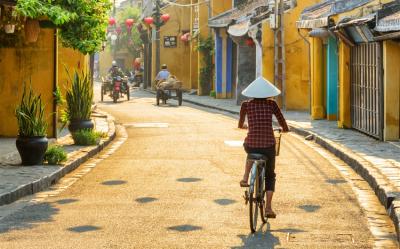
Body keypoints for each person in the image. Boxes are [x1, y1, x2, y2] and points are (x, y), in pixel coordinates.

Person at [238, 77, 289, 219]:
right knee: (270, 175)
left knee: (249, 149)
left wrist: (246, 126)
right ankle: (268, 208)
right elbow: (282, 121)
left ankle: (245, 177)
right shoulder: (272, 104)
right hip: (268, 145)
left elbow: (240, 124)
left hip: (252, 144)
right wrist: (284, 129)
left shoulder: (246, 105)